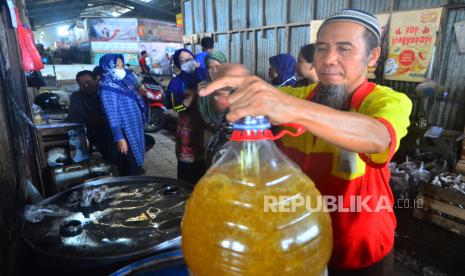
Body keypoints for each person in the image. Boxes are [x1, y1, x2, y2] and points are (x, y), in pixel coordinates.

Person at [199, 9, 412, 276]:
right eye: (321, 48)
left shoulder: (385, 101)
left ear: (373, 56)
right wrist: (232, 78)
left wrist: (291, 108)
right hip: (298, 241)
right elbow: (244, 94)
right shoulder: (299, 95)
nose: (328, 60)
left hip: (356, 252)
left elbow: (377, 138)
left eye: (344, 49)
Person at [99, 54, 147, 176]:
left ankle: (136, 177)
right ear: (107, 67)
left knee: (135, 160)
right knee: (130, 162)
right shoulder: (107, 87)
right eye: (117, 66)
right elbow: (112, 115)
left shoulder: (124, 81)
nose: (121, 68)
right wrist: (119, 138)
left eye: (122, 65)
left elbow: (137, 90)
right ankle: (132, 187)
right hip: (124, 131)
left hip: (134, 127)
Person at [165, 48, 207, 184]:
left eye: (190, 58)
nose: (188, 61)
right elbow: (175, 107)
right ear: (178, 64)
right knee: (188, 168)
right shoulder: (176, 82)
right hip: (187, 131)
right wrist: (193, 94)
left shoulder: (204, 74)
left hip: (206, 128)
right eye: (183, 60)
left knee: (205, 165)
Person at [68, 70, 114, 163]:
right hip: (96, 132)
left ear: (96, 80)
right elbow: (75, 115)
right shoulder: (77, 96)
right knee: (111, 149)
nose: (85, 86)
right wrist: (97, 118)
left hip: (115, 128)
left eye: (88, 82)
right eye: (81, 84)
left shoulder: (105, 92)